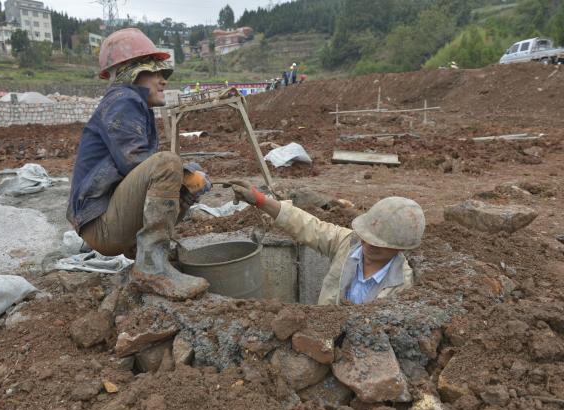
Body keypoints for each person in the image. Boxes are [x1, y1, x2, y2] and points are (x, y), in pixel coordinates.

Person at [67, 28, 212, 301]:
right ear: (133, 72)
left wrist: (190, 178)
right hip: (101, 224)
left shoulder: (134, 105)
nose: (163, 81)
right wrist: (185, 173)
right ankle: (151, 267)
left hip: (106, 220)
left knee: (184, 175)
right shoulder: (123, 100)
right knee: (169, 164)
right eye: (157, 72)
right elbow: (136, 161)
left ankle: (150, 256)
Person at [228, 181, 426, 305]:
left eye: (380, 242)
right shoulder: (348, 243)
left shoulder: (403, 283)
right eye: (368, 235)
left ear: (401, 247)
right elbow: (308, 225)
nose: (369, 243)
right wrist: (261, 201)